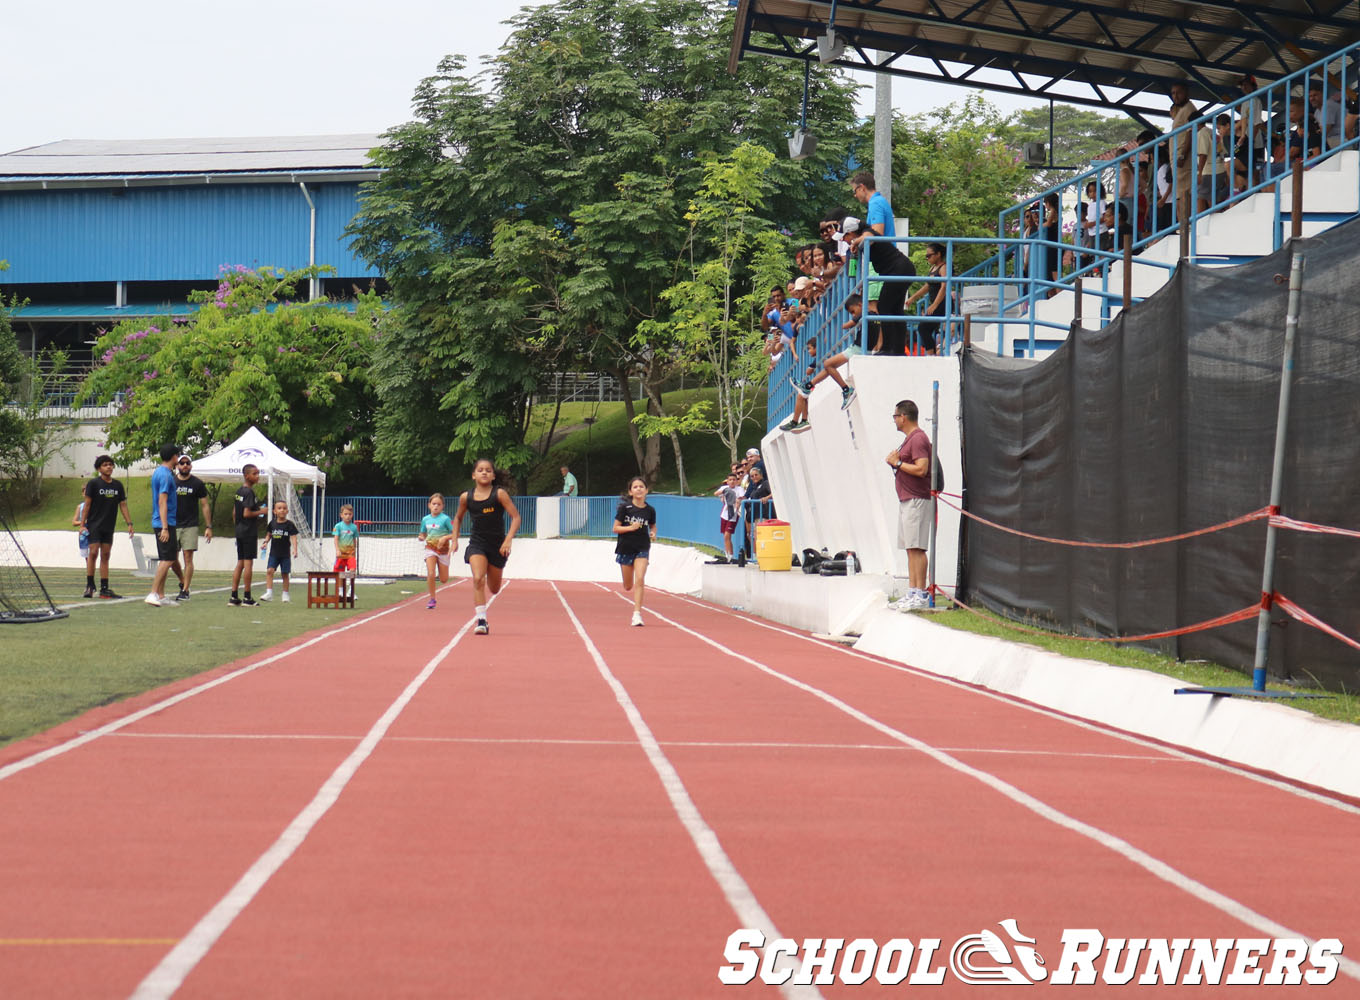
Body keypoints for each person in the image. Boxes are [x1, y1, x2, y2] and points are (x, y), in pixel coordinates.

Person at [847, 171, 917, 364]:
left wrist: (858, 240)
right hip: (895, 266)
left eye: (855, 191)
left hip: (896, 266)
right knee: (894, 309)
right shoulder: (878, 203)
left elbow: (876, 232)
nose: (855, 195)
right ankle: (896, 349)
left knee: (886, 306)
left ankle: (889, 348)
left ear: (862, 188)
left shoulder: (876, 203)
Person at [452, 459, 522, 635]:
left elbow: (516, 517)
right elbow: (458, 518)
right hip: (477, 543)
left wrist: (508, 540)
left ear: (493, 476)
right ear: (473, 475)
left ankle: (493, 569)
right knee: (478, 579)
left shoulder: (499, 494)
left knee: (494, 588)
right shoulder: (466, 497)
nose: (484, 472)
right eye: (480, 470)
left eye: (488, 470)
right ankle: (481, 621)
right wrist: (454, 539)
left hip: (498, 546)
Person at [885, 399, 934, 611]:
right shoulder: (909, 440)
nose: (894, 420)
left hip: (916, 499)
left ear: (903, 417)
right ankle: (913, 590)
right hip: (907, 498)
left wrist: (897, 463)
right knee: (910, 548)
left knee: (917, 547)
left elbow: (922, 469)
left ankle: (920, 592)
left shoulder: (918, 438)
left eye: (895, 416)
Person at [80, 455, 134, 599]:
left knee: (105, 555)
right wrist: (82, 525)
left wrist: (129, 523)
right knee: (93, 553)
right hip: (94, 525)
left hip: (109, 526)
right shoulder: (93, 484)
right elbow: (87, 505)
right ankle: (90, 585)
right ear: (99, 468)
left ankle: (104, 588)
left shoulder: (118, 485)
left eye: (110, 464)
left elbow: (123, 505)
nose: (108, 467)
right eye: (105, 465)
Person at [613, 475, 657, 627]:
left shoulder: (650, 510)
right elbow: (615, 528)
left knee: (640, 578)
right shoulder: (625, 508)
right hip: (626, 547)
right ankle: (629, 584)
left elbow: (652, 525)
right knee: (628, 586)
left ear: (646, 490)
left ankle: (637, 614)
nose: (639, 489)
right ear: (630, 492)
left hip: (642, 547)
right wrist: (630, 528)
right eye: (635, 487)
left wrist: (653, 533)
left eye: (641, 487)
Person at [145, 443, 184, 608]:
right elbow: (162, 501)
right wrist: (165, 527)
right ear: (174, 457)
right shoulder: (166, 476)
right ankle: (153, 593)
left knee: (167, 558)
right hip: (165, 522)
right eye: (178, 455)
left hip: (164, 522)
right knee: (168, 559)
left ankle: (160, 595)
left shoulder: (160, 472)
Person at [172, 454, 211, 601]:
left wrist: (208, 526)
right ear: (177, 465)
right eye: (182, 463)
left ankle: (185, 590)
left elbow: (205, 504)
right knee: (171, 559)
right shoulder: (171, 482)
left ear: (191, 465)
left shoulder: (197, 483)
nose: (184, 465)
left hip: (190, 525)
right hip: (173, 524)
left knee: (188, 557)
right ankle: (182, 581)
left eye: (187, 463)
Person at [229, 464, 265, 606]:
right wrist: (262, 511)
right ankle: (247, 597)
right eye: (254, 474)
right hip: (248, 531)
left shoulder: (239, 491)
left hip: (240, 531)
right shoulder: (249, 492)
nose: (257, 476)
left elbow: (234, 512)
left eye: (258, 473)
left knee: (240, 562)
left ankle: (233, 596)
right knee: (248, 563)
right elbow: (247, 513)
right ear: (246, 475)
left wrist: (238, 527)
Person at [905, 243, 949, 354]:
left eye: (929, 255)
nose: (927, 258)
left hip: (942, 303)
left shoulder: (943, 267)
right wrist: (913, 298)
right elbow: (928, 286)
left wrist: (935, 305)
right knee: (926, 329)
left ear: (938, 254)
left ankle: (931, 355)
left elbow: (944, 287)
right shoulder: (933, 268)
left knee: (923, 328)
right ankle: (933, 353)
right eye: (926, 256)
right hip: (935, 303)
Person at [416, 492, 454, 610]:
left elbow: (455, 533)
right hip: (430, 549)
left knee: (444, 579)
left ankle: (442, 572)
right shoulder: (425, 519)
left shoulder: (445, 519)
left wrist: (445, 538)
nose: (436, 506)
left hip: (443, 551)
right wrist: (421, 537)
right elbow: (423, 533)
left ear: (442, 506)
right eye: (434, 504)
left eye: (438, 504)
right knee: (431, 573)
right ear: (429, 505)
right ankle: (432, 598)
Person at [1169, 81, 1198, 226]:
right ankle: (1183, 225)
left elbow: (1190, 133)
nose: (1175, 96)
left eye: (1178, 92)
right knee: (1179, 195)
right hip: (1177, 158)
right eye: (1173, 93)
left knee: (1184, 193)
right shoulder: (1181, 110)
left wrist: (1182, 155)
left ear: (1186, 93)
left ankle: (1186, 226)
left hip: (1183, 159)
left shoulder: (1189, 109)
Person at [259, 500, 299, 602]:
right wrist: (265, 542)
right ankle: (269, 593)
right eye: (279, 508)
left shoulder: (289, 524)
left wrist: (295, 549)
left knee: (285, 574)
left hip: (285, 554)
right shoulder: (272, 523)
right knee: (269, 571)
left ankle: (285, 594)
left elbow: (293, 537)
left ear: (287, 511)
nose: (282, 510)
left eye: (284, 508)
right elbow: (269, 535)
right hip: (274, 554)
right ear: (274, 511)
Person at [712, 472, 743, 564]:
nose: (732, 481)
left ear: (737, 481)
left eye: (734, 480)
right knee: (725, 537)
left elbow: (742, 497)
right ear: (727, 481)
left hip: (733, 515)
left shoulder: (739, 489)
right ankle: (728, 555)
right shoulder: (725, 488)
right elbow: (715, 493)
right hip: (724, 514)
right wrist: (724, 491)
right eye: (730, 480)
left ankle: (730, 556)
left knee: (727, 535)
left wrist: (738, 501)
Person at [333, 504, 359, 602]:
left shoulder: (354, 527)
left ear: (352, 515)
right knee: (340, 572)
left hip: (350, 554)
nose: (347, 516)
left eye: (349, 514)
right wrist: (337, 550)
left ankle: (351, 590)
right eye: (345, 514)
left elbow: (354, 539)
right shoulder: (338, 526)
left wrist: (354, 550)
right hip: (341, 554)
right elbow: (336, 539)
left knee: (352, 570)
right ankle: (340, 591)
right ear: (341, 515)